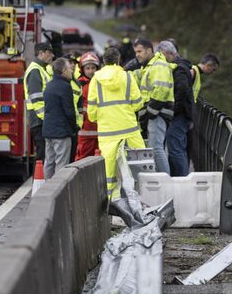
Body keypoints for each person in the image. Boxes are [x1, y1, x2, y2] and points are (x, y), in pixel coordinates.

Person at [87, 48, 145, 200]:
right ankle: (140, 198)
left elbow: (92, 107)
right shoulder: (127, 77)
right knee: (139, 163)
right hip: (129, 127)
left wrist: (96, 118)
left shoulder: (95, 79)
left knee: (108, 168)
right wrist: (126, 110)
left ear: (103, 62)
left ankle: (112, 201)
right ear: (119, 60)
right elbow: (138, 102)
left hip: (107, 130)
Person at [138, 40, 176, 175]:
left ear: (149, 50)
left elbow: (160, 90)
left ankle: (165, 183)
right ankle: (164, 181)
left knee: (156, 149)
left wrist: (150, 112)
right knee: (158, 148)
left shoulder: (158, 65)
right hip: (158, 112)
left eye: (139, 51)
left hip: (158, 112)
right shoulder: (151, 65)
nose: (137, 55)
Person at [42, 58, 78, 178]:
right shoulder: (65, 87)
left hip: (48, 131)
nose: (72, 71)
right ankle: (57, 193)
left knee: (49, 162)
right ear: (63, 70)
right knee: (61, 163)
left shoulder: (49, 85)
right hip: (61, 132)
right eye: (69, 69)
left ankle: (46, 190)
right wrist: (74, 128)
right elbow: (69, 112)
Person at [187, 53, 220, 168]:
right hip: (186, 114)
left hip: (188, 112)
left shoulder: (195, 73)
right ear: (209, 66)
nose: (212, 72)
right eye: (213, 69)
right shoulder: (193, 72)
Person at [166, 51, 194, 176]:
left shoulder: (179, 69)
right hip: (184, 114)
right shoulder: (184, 67)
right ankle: (179, 177)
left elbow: (181, 90)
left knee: (175, 149)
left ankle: (181, 179)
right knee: (179, 148)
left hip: (180, 115)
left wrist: (173, 110)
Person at [24, 42, 54, 162]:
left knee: (44, 152)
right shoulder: (35, 70)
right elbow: (36, 98)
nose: (52, 55)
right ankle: (39, 180)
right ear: (41, 53)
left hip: (40, 118)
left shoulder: (41, 69)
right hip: (39, 119)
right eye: (49, 52)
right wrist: (46, 118)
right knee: (42, 153)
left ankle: (41, 179)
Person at [75, 52, 101, 161]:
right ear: (82, 70)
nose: (91, 71)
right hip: (85, 131)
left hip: (101, 130)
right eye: (88, 68)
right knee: (82, 160)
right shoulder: (79, 85)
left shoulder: (102, 83)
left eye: (93, 68)